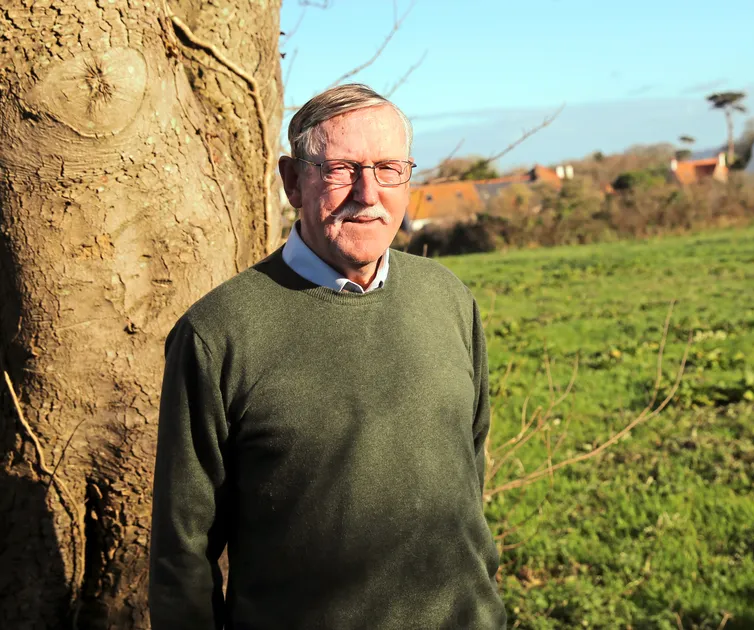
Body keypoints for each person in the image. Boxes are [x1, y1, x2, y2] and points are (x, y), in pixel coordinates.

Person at [148, 84, 505, 629]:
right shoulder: (217, 334)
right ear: (293, 181)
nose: (368, 193)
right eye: (341, 168)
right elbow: (182, 555)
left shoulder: (448, 297)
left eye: (389, 168)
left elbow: (469, 473)